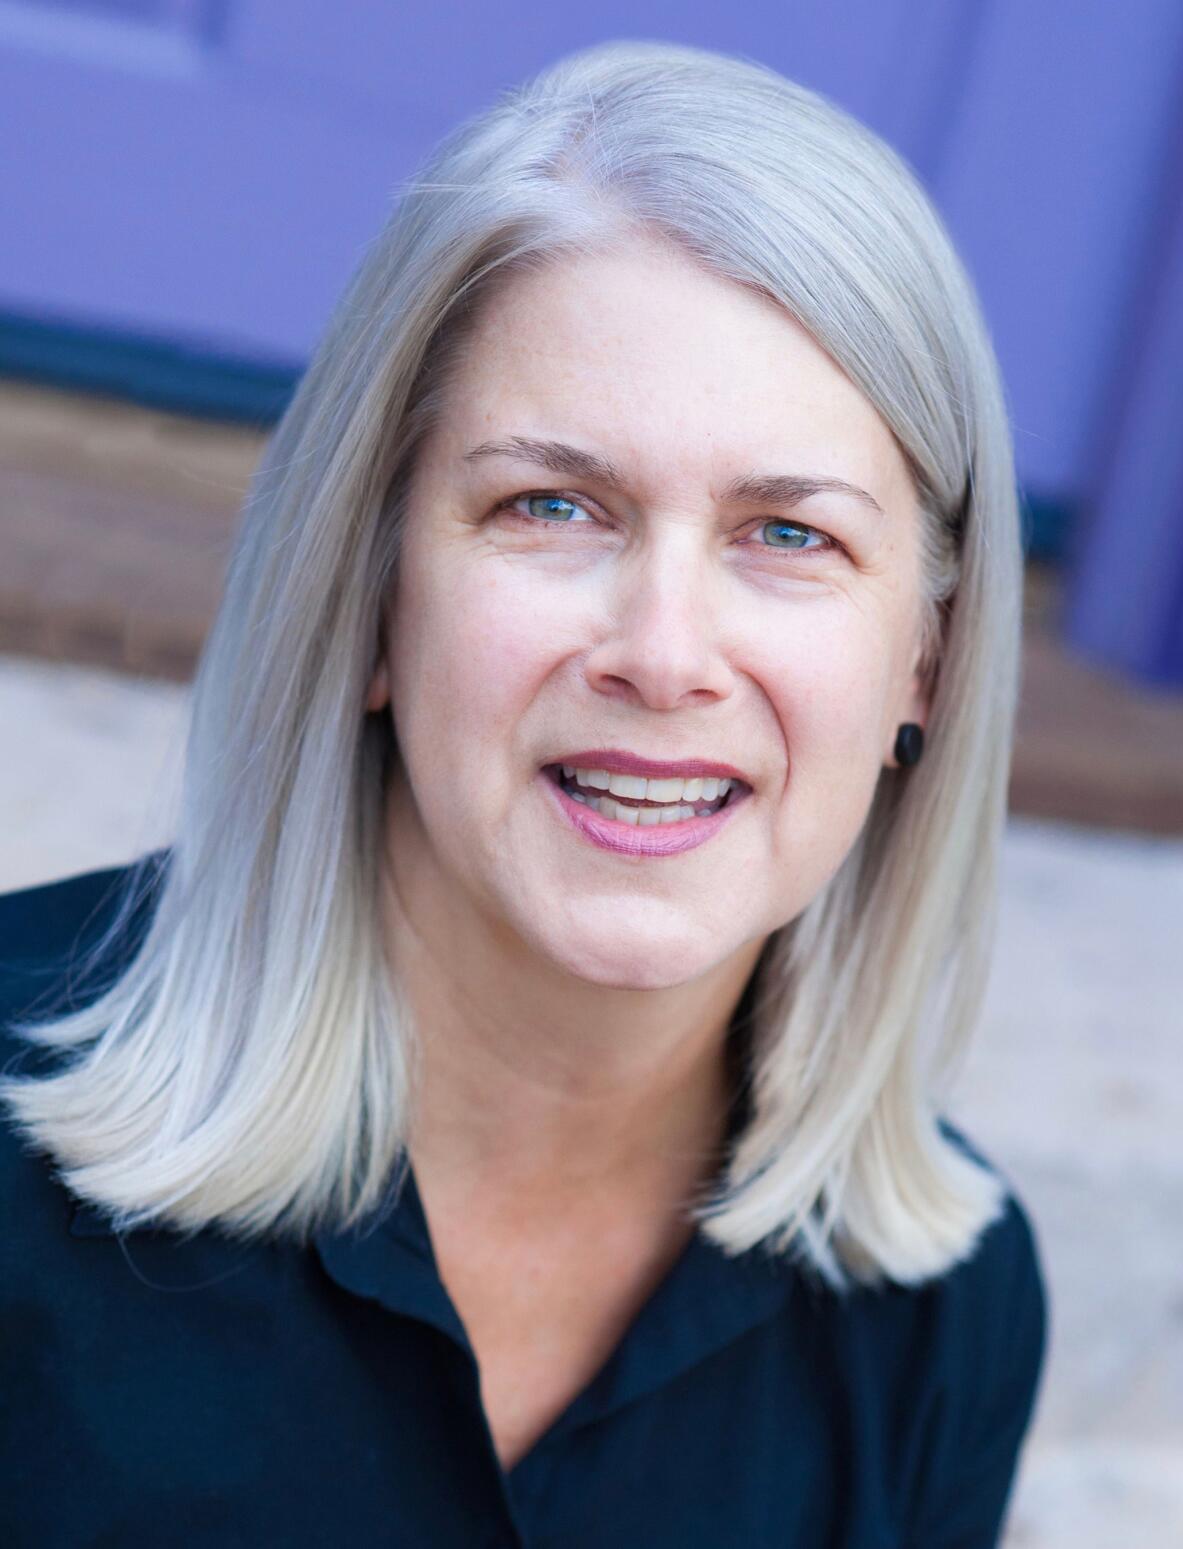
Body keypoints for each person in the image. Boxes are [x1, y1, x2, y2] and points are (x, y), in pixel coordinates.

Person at [0, 38, 1048, 1548]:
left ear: (925, 666)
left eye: (790, 534)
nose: (664, 651)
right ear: (371, 593)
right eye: (550, 506)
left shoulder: (945, 1313)